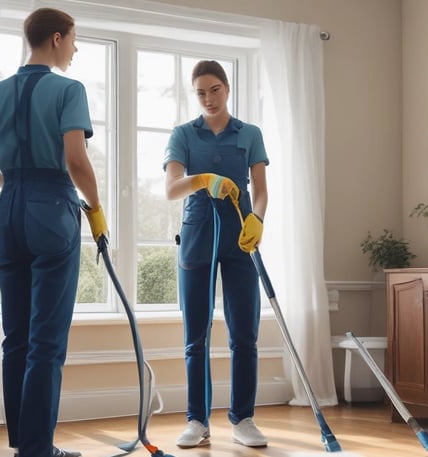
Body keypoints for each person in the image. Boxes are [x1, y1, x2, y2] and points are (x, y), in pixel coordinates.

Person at [0, 8, 107, 457]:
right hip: (53, 210)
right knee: (46, 340)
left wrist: (9, 183)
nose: (76, 49)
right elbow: (76, 160)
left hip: (11, 213)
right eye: (75, 40)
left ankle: (23, 442)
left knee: (16, 337)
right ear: (58, 39)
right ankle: (38, 448)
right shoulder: (68, 89)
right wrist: (97, 210)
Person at [164, 60, 269, 448]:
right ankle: (197, 420)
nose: (208, 99)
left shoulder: (250, 134)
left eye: (215, 90)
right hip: (198, 234)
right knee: (197, 335)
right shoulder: (183, 135)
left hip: (241, 234)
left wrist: (257, 219)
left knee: (245, 334)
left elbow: (260, 189)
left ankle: (243, 419)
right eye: (200, 92)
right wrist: (204, 179)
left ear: (227, 89)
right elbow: (172, 188)